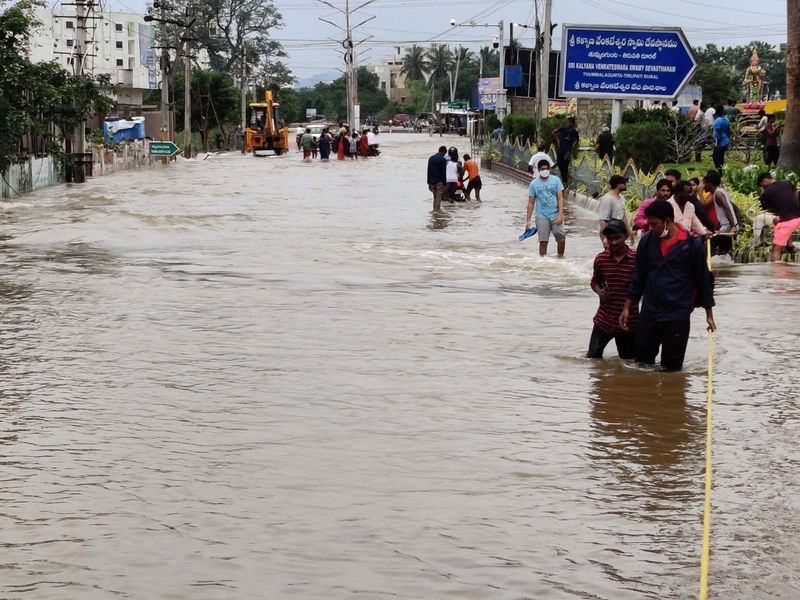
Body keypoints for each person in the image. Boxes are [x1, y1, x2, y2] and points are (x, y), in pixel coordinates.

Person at [620, 200, 716, 371]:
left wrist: (709, 314)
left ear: (668, 221)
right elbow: (638, 277)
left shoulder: (691, 245)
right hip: (650, 311)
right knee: (641, 364)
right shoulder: (647, 242)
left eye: (654, 224)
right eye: (648, 224)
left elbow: (702, 279)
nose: (650, 228)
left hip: (677, 313)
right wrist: (627, 307)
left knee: (672, 368)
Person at [587, 219, 639, 360]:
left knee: (628, 363)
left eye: (617, 238)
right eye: (610, 239)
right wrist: (599, 291)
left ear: (626, 236)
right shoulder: (601, 259)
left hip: (629, 321)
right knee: (592, 359)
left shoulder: (637, 259)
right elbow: (594, 282)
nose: (614, 242)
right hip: (604, 319)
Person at [526, 159, 566, 257]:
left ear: (549, 169)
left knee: (561, 239)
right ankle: (543, 262)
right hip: (541, 216)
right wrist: (528, 221)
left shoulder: (556, 180)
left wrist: (561, 215)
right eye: (542, 169)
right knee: (543, 242)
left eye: (547, 168)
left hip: (555, 214)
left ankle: (561, 258)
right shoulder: (534, 184)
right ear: (538, 170)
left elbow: (560, 198)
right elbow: (531, 203)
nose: (545, 170)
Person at [757, 172, 800, 261]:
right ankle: (789, 245)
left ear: (765, 181)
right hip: (796, 215)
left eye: (762, 185)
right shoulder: (787, 182)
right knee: (776, 220)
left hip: (788, 220)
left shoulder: (766, 193)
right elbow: (796, 194)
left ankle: (776, 272)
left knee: (776, 248)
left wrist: (764, 194)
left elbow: (765, 207)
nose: (763, 187)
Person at [702, 171, 738, 255]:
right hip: (728, 227)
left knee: (708, 243)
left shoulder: (718, 194)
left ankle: (708, 266)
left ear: (709, 183)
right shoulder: (722, 191)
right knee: (723, 253)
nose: (703, 187)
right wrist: (737, 225)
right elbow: (737, 210)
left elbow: (727, 209)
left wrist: (733, 226)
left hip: (727, 227)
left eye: (704, 183)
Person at [598, 175, 629, 243]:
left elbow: (623, 215)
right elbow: (603, 219)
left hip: (619, 233)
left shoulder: (621, 197)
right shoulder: (608, 198)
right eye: (623, 183)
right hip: (611, 234)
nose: (625, 184)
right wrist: (605, 238)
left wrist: (628, 231)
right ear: (618, 185)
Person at [552, 116, 579, 188]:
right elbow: (554, 132)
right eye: (567, 122)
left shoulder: (575, 132)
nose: (568, 123)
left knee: (565, 165)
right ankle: (565, 179)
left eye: (569, 122)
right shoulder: (563, 129)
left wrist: (572, 148)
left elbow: (576, 141)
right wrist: (558, 140)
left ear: (573, 123)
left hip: (567, 152)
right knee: (560, 164)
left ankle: (565, 182)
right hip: (561, 150)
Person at [427, 146, 448, 211]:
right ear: (443, 151)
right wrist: (444, 184)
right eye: (444, 153)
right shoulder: (443, 160)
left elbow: (428, 171)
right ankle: (437, 213)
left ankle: (434, 213)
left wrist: (428, 182)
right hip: (439, 182)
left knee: (434, 198)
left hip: (432, 182)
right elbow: (443, 173)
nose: (444, 155)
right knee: (438, 199)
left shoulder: (431, 158)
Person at [712, 106, 730, 171]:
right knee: (721, 156)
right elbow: (728, 131)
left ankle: (719, 169)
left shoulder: (717, 121)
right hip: (725, 141)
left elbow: (718, 134)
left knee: (715, 157)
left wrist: (718, 144)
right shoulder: (726, 119)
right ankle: (720, 169)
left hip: (720, 142)